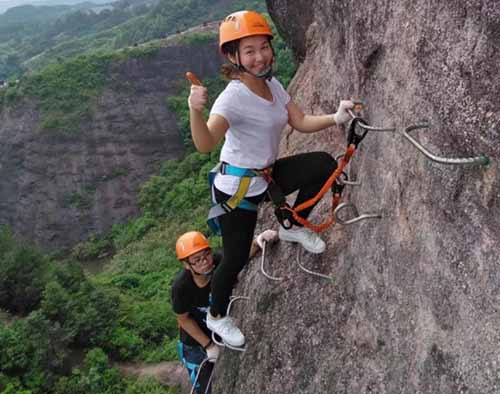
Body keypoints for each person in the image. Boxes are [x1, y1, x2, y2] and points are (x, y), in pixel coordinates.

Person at [187, 10, 354, 348]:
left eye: (263, 47)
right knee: (233, 260)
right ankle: (217, 317)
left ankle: (292, 227)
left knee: (321, 164)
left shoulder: (273, 85)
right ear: (234, 57)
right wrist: (194, 110)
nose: (260, 56)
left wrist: (336, 117)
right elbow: (205, 143)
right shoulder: (232, 98)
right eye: (249, 50)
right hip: (237, 189)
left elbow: (301, 121)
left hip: (265, 175)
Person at [172, 229, 277, 393]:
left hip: (219, 327)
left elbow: (238, 257)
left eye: (206, 254)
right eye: (197, 260)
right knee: (204, 386)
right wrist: (208, 345)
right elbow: (183, 319)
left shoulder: (217, 262)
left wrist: (258, 240)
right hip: (194, 341)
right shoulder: (181, 287)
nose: (205, 262)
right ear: (187, 264)